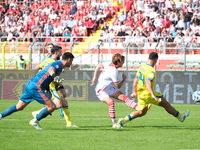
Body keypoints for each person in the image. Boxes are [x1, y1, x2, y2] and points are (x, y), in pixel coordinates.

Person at [0, 51, 75, 130]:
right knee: (52, 107)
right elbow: (51, 70)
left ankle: (0, 116)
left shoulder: (59, 67)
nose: (72, 63)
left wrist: (58, 82)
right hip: (37, 87)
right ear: (68, 60)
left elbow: (48, 76)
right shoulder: (58, 64)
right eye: (72, 61)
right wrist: (54, 76)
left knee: (19, 107)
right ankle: (35, 121)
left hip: (31, 84)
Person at [116, 52, 190, 128]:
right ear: (156, 60)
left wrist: (135, 92)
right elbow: (148, 82)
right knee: (166, 104)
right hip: (148, 94)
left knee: (142, 112)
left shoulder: (142, 67)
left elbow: (135, 80)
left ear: (148, 58)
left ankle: (123, 120)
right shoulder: (151, 70)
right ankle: (181, 117)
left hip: (141, 94)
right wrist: (153, 95)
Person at [90, 53, 141, 128]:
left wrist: (94, 78)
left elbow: (98, 66)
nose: (123, 63)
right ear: (119, 62)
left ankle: (139, 109)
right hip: (101, 90)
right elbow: (118, 86)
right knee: (111, 103)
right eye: (122, 61)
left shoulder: (109, 64)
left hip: (107, 86)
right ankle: (114, 124)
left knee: (124, 97)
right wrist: (124, 80)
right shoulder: (114, 72)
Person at [34, 45, 77, 127]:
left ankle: (69, 124)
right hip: (51, 84)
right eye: (60, 52)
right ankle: (37, 114)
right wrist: (57, 80)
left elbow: (37, 67)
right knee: (57, 105)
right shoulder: (53, 62)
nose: (61, 54)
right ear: (56, 52)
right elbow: (50, 71)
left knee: (64, 101)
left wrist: (41, 72)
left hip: (48, 82)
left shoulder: (46, 60)